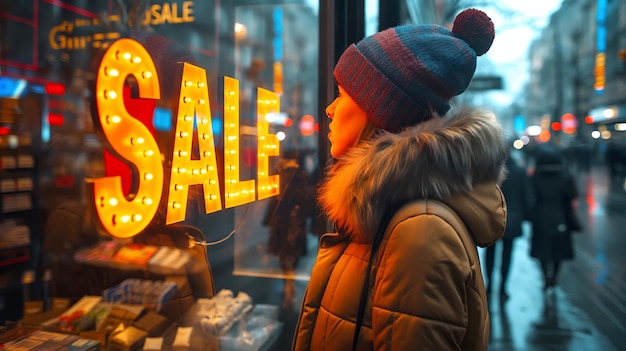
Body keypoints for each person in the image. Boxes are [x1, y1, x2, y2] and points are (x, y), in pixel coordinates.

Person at [293, 8, 507, 351]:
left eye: (344, 94)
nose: (330, 109)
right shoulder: (389, 211)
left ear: (381, 113)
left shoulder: (420, 231)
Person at [485, 150, 534, 302]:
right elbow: (527, 195)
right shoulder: (519, 171)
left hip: (491, 218)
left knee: (490, 253)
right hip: (512, 219)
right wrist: (527, 218)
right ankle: (503, 288)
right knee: (507, 254)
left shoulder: (489, 171)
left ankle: (489, 286)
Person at [529, 144, 579, 291]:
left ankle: (546, 275)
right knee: (559, 250)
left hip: (540, 218)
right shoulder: (565, 177)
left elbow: (531, 197)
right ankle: (555, 276)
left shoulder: (535, 177)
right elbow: (572, 195)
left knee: (542, 250)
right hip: (561, 217)